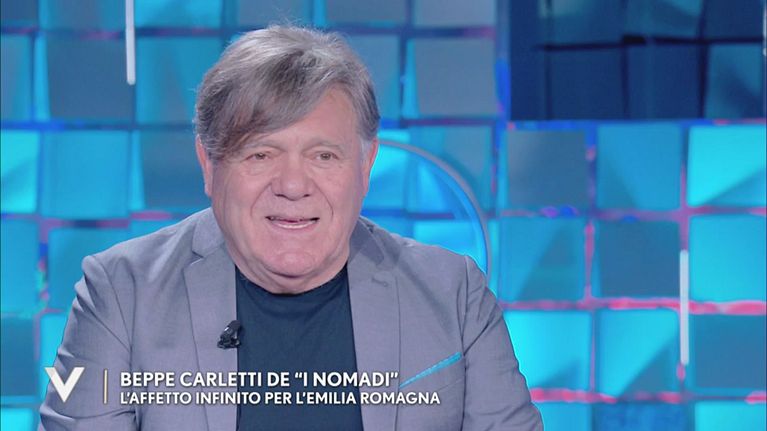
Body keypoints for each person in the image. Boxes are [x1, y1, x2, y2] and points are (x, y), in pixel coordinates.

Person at [39, 25, 542, 430]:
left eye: (323, 156)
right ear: (209, 165)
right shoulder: (121, 294)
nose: (293, 186)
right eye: (260, 154)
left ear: (366, 165)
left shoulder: (453, 293)